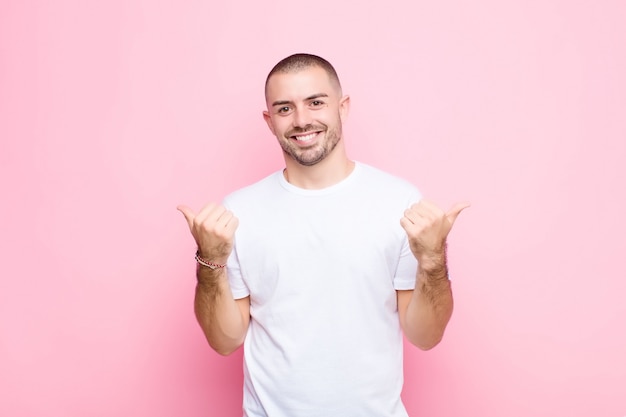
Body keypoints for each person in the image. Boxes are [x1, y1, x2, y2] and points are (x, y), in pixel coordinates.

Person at [178, 53, 469, 417]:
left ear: (342, 108)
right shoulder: (238, 212)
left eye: (316, 102)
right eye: (285, 108)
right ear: (269, 121)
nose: (302, 120)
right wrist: (210, 262)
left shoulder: (401, 203)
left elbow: (426, 336)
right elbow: (224, 341)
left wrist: (433, 261)